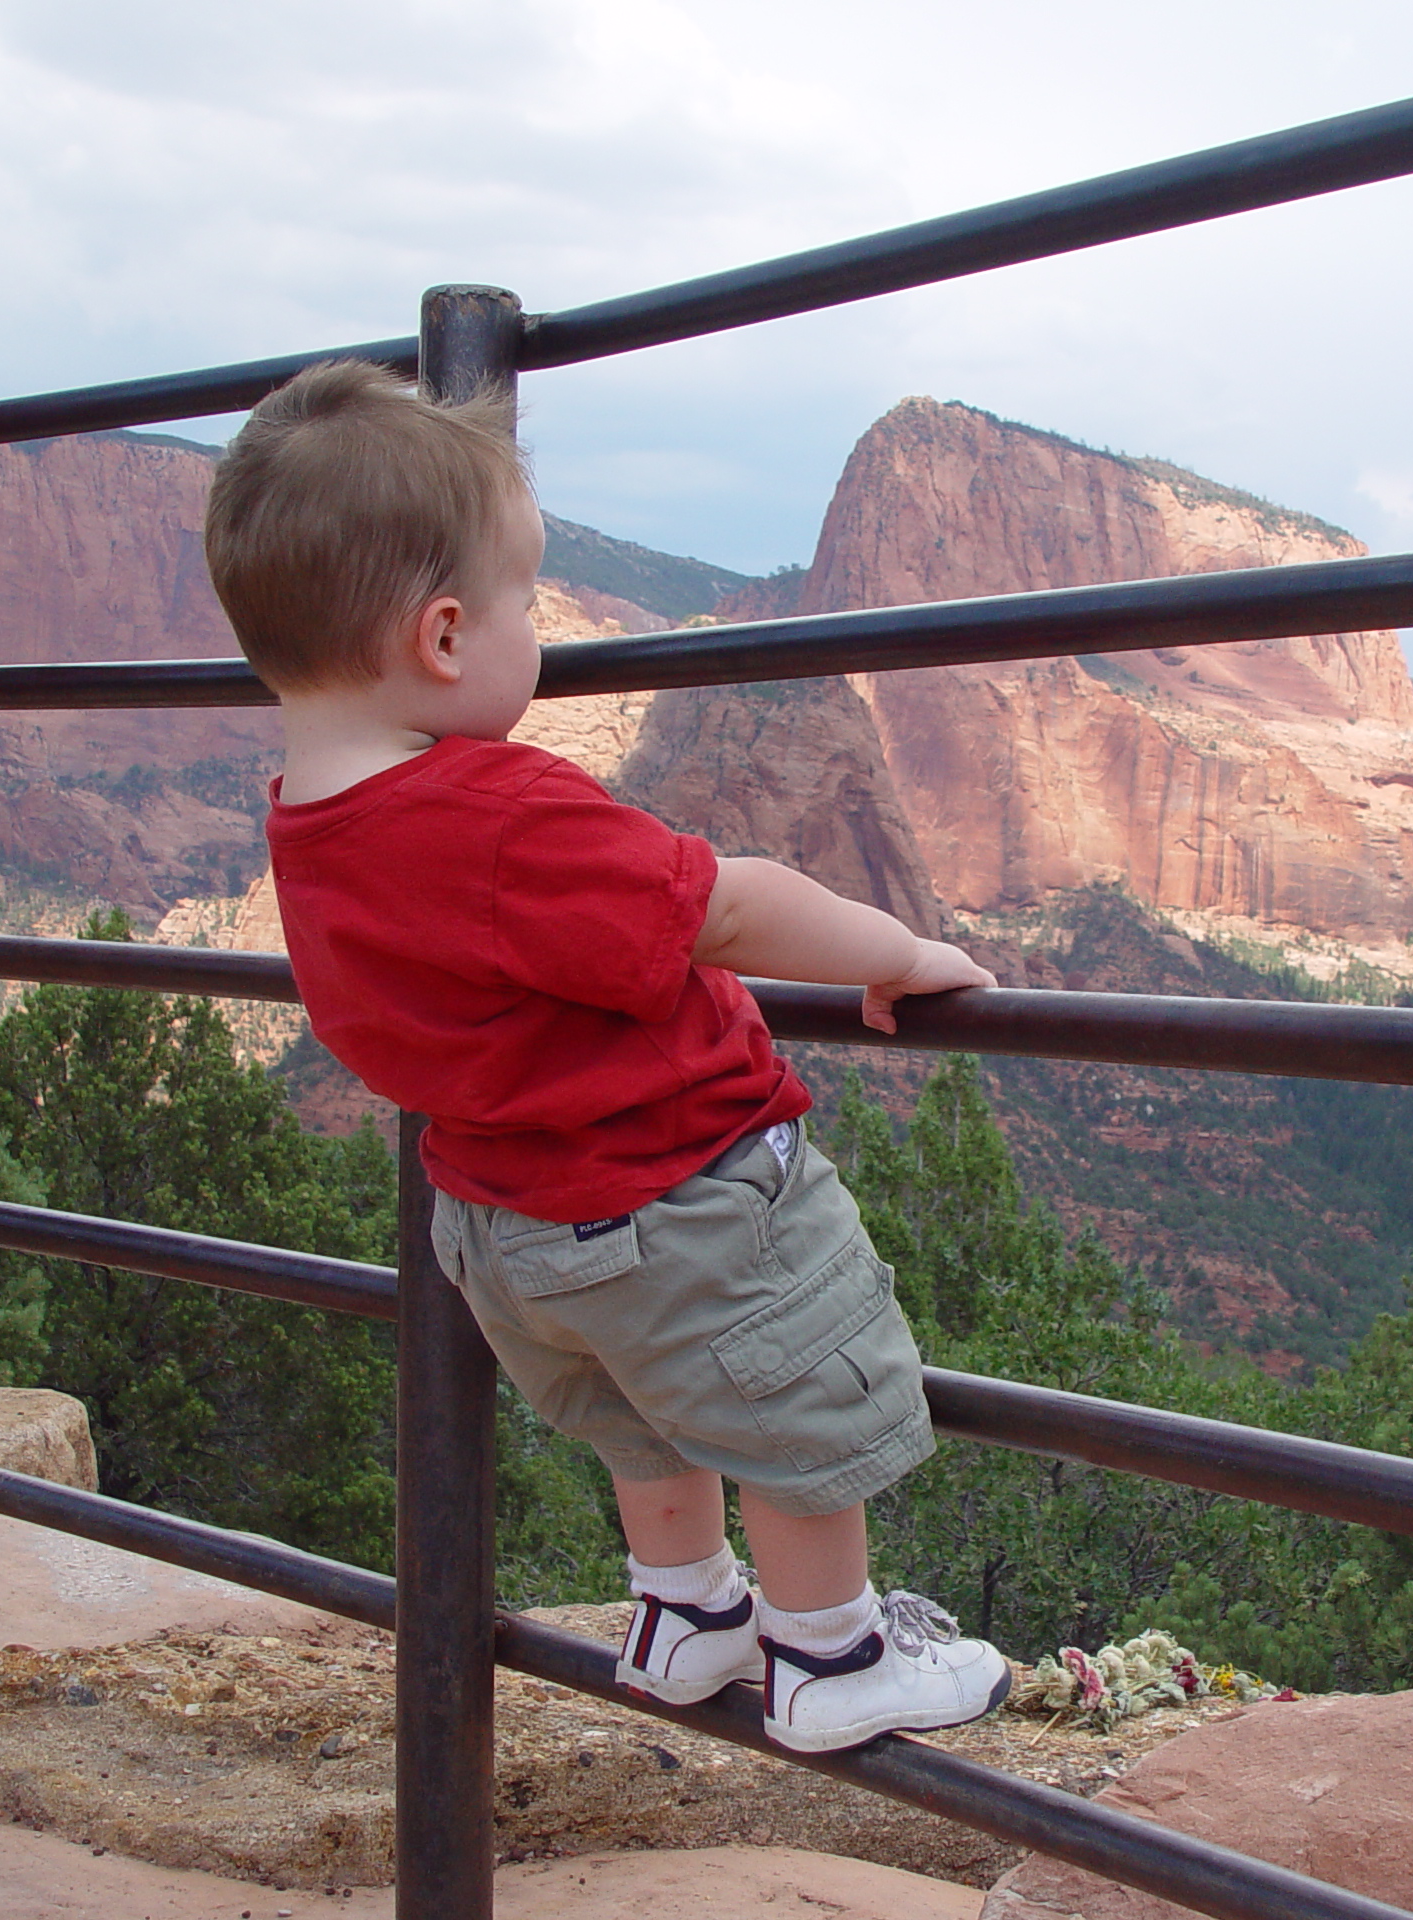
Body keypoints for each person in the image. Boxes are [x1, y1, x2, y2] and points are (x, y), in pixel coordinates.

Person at [205, 360, 1013, 1753]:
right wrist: (894, 950)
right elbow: (729, 905)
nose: (546, 635)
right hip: (679, 1196)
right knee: (801, 1386)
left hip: (507, 1231)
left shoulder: (307, 821)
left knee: (648, 1410)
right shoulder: (500, 809)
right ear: (447, 636)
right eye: (530, 603)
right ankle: (833, 1656)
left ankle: (683, 1611)